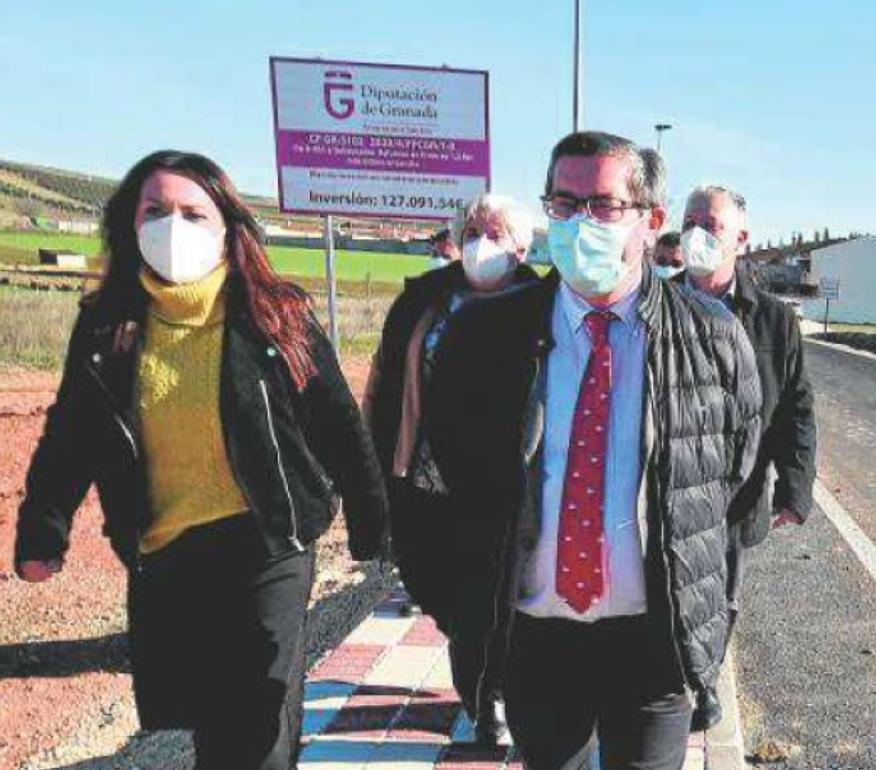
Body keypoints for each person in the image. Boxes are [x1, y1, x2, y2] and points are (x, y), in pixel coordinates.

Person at [13, 150, 387, 770]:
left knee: (261, 722)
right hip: (168, 548)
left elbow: (338, 422)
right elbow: (72, 434)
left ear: (227, 229)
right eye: (155, 211)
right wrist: (43, 529)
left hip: (269, 540)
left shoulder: (274, 315)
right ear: (129, 226)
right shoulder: (107, 328)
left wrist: (374, 519)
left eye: (193, 213)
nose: (173, 226)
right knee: (213, 723)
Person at [424, 131, 762, 770]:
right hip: (536, 633)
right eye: (563, 203)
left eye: (603, 206)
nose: (581, 223)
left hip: (654, 635)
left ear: (650, 221)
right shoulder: (486, 336)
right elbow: (455, 459)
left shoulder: (713, 339)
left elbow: (733, 471)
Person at [362, 192, 540, 744]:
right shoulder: (426, 299)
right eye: (471, 232)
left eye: (494, 233)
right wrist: (372, 454)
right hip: (421, 475)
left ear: (521, 247)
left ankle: (489, 700)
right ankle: (479, 668)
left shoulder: (541, 306)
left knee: (485, 603)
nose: (479, 243)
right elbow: (384, 378)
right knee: (429, 581)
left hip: (496, 485)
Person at [677, 184, 816, 729]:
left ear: (741, 239)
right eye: (690, 222)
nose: (696, 235)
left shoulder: (773, 321)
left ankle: (705, 682)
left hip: (738, 489)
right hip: (667, 482)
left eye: (709, 225)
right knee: (667, 589)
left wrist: (795, 489)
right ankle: (670, 682)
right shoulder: (656, 303)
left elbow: (795, 407)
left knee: (722, 596)